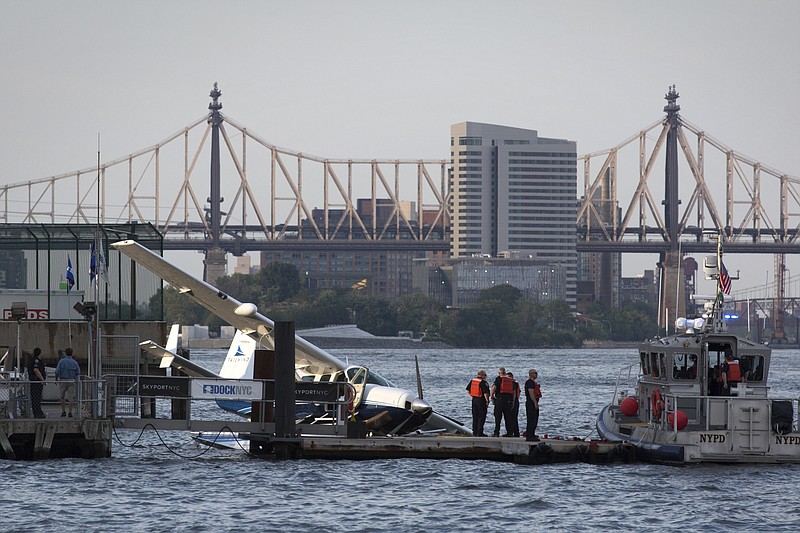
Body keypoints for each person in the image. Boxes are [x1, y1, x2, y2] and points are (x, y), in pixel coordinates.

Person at [55, 347, 81, 417]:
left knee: (62, 397)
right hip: (72, 380)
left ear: (65, 353)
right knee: (71, 397)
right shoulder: (75, 362)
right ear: (72, 353)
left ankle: (63, 411)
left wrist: (56, 379)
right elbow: (78, 372)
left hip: (63, 380)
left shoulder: (61, 361)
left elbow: (57, 371)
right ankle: (70, 412)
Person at [490, 367, 515, 437]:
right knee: (508, 417)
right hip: (508, 400)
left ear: (499, 373)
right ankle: (509, 432)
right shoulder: (510, 380)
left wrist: (491, 395)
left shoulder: (499, 378)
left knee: (498, 417)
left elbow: (494, 387)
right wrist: (513, 401)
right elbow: (513, 391)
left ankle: (496, 432)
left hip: (499, 399)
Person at [466, 369, 490, 436]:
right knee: (481, 417)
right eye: (485, 375)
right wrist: (487, 401)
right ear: (481, 375)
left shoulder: (473, 381)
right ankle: (480, 432)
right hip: (481, 400)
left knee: (475, 416)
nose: (486, 376)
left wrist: (472, 395)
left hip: (474, 399)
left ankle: (474, 432)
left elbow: (468, 390)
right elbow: (486, 393)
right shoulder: (483, 382)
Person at [28, 347, 46, 418]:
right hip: (36, 382)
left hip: (34, 382)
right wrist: (42, 380)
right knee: (37, 398)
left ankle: (37, 412)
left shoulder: (32, 360)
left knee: (36, 398)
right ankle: (37, 413)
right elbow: (36, 370)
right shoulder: (36, 361)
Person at [525, 368, 542, 441]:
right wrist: (535, 402)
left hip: (533, 402)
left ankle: (532, 434)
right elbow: (531, 392)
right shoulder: (530, 382)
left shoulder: (533, 382)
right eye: (535, 373)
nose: (536, 374)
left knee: (534, 419)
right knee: (531, 419)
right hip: (531, 402)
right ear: (531, 374)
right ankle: (529, 436)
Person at [506, 371, 521, 437]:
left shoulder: (513, 383)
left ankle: (514, 433)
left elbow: (514, 393)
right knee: (510, 418)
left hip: (513, 401)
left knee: (513, 417)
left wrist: (513, 402)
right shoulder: (514, 383)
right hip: (512, 401)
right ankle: (512, 432)